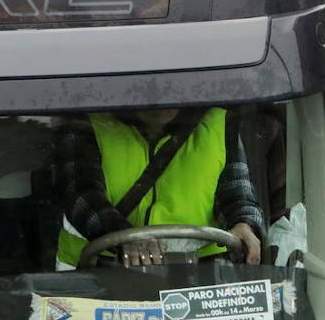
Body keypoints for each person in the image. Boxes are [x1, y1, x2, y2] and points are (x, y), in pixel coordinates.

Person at [56, 107, 264, 269]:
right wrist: (124, 237)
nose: (159, 102)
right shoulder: (88, 124)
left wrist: (243, 223)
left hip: (202, 277)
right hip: (95, 271)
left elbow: (237, 191)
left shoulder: (219, 125)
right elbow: (82, 195)